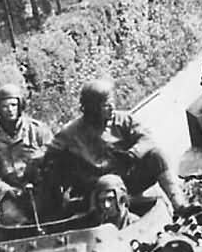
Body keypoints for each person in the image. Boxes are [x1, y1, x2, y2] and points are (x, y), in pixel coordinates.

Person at [38, 77, 187, 214]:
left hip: (128, 178)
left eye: (112, 103)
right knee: (107, 183)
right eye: (105, 105)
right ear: (92, 108)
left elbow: (146, 138)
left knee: (157, 155)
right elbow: (49, 153)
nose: (112, 107)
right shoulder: (71, 132)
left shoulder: (123, 119)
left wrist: (132, 154)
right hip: (98, 187)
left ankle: (179, 204)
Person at [0, 82, 51, 225]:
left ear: (20, 106)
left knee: (55, 215)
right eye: (5, 106)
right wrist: (7, 190)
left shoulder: (37, 130)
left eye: (13, 105)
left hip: (41, 189)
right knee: (12, 220)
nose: (9, 110)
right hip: (12, 195)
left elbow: (55, 158)